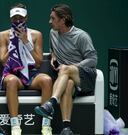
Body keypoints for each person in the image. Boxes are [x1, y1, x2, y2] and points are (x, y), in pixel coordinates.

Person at [34, 4, 97, 135]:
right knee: (68, 84)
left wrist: (72, 67)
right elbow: (53, 50)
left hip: (85, 77)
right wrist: (53, 57)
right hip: (67, 78)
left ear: (63, 20)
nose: (49, 22)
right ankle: (66, 128)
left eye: (53, 18)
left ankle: (51, 103)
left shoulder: (81, 36)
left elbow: (93, 60)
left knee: (66, 70)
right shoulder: (53, 33)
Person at [0, 3, 53, 135]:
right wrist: (14, 42)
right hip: (13, 74)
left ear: (26, 18)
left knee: (47, 80)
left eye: (20, 18)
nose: (17, 21)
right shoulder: (3, 35)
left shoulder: (36, 35)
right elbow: (4, 62)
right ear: (11, 19)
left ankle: (46, 126)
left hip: (32, 73)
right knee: (10, 81)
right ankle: (15, 127)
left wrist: (26, 42)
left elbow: (38, 62)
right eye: (15, 18)